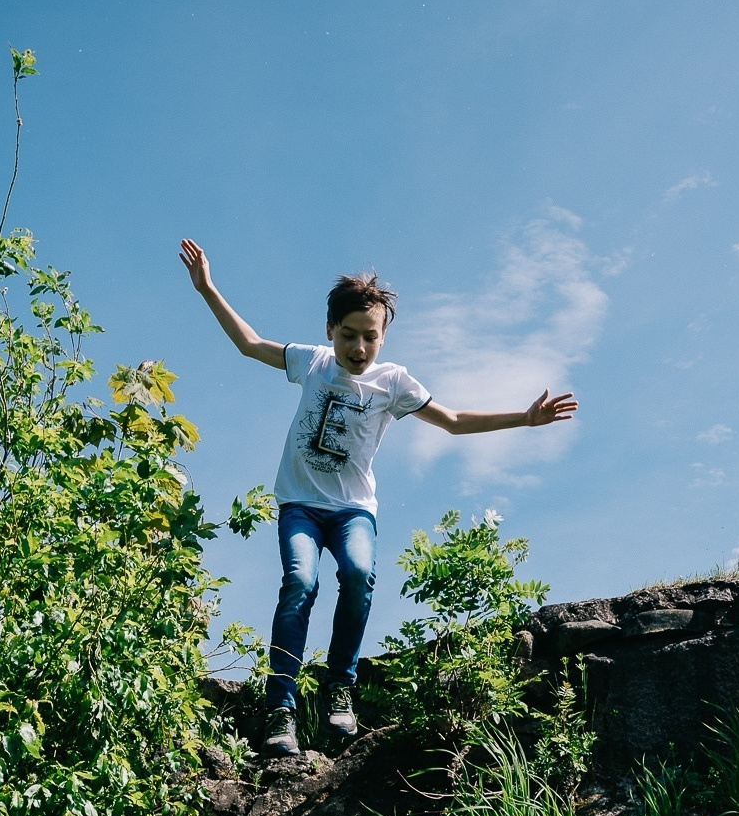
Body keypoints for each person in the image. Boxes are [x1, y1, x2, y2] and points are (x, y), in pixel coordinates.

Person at [178, 238, 578, 757]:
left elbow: (453, 421)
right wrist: (208, 287)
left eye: (370, 338)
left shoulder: (394, 384)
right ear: (330, 332)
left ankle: (339, 688)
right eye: (348, 336)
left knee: (358, 574)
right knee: (300, 581)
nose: (358, 349)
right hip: (300, 505)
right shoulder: (313, 362)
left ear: (384, 340)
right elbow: (250, 344)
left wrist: (523, 419)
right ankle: (282, 707)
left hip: (352, 511)